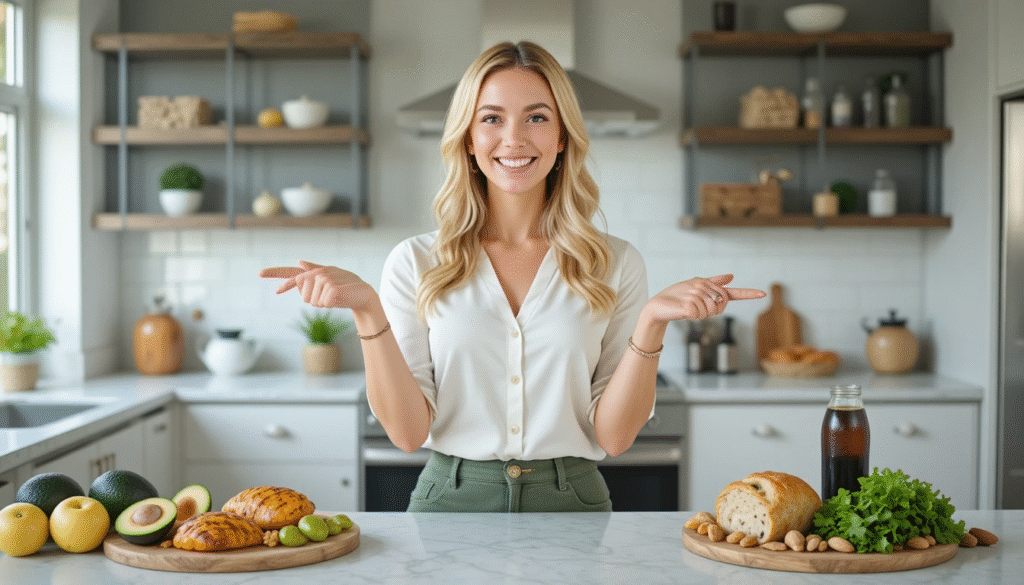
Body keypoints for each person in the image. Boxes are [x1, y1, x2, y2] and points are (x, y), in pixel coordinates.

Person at [260, 41, 765, 512]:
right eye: (492, 118)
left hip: (574, 504)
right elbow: (408, 434)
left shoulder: (615, 263)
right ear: (469, 137)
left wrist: (653, 321)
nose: (514, 139)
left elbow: (613, 438)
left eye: (537, 117)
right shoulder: (415, 262)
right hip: (449, 503)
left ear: (563, 135)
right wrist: (366, 308)